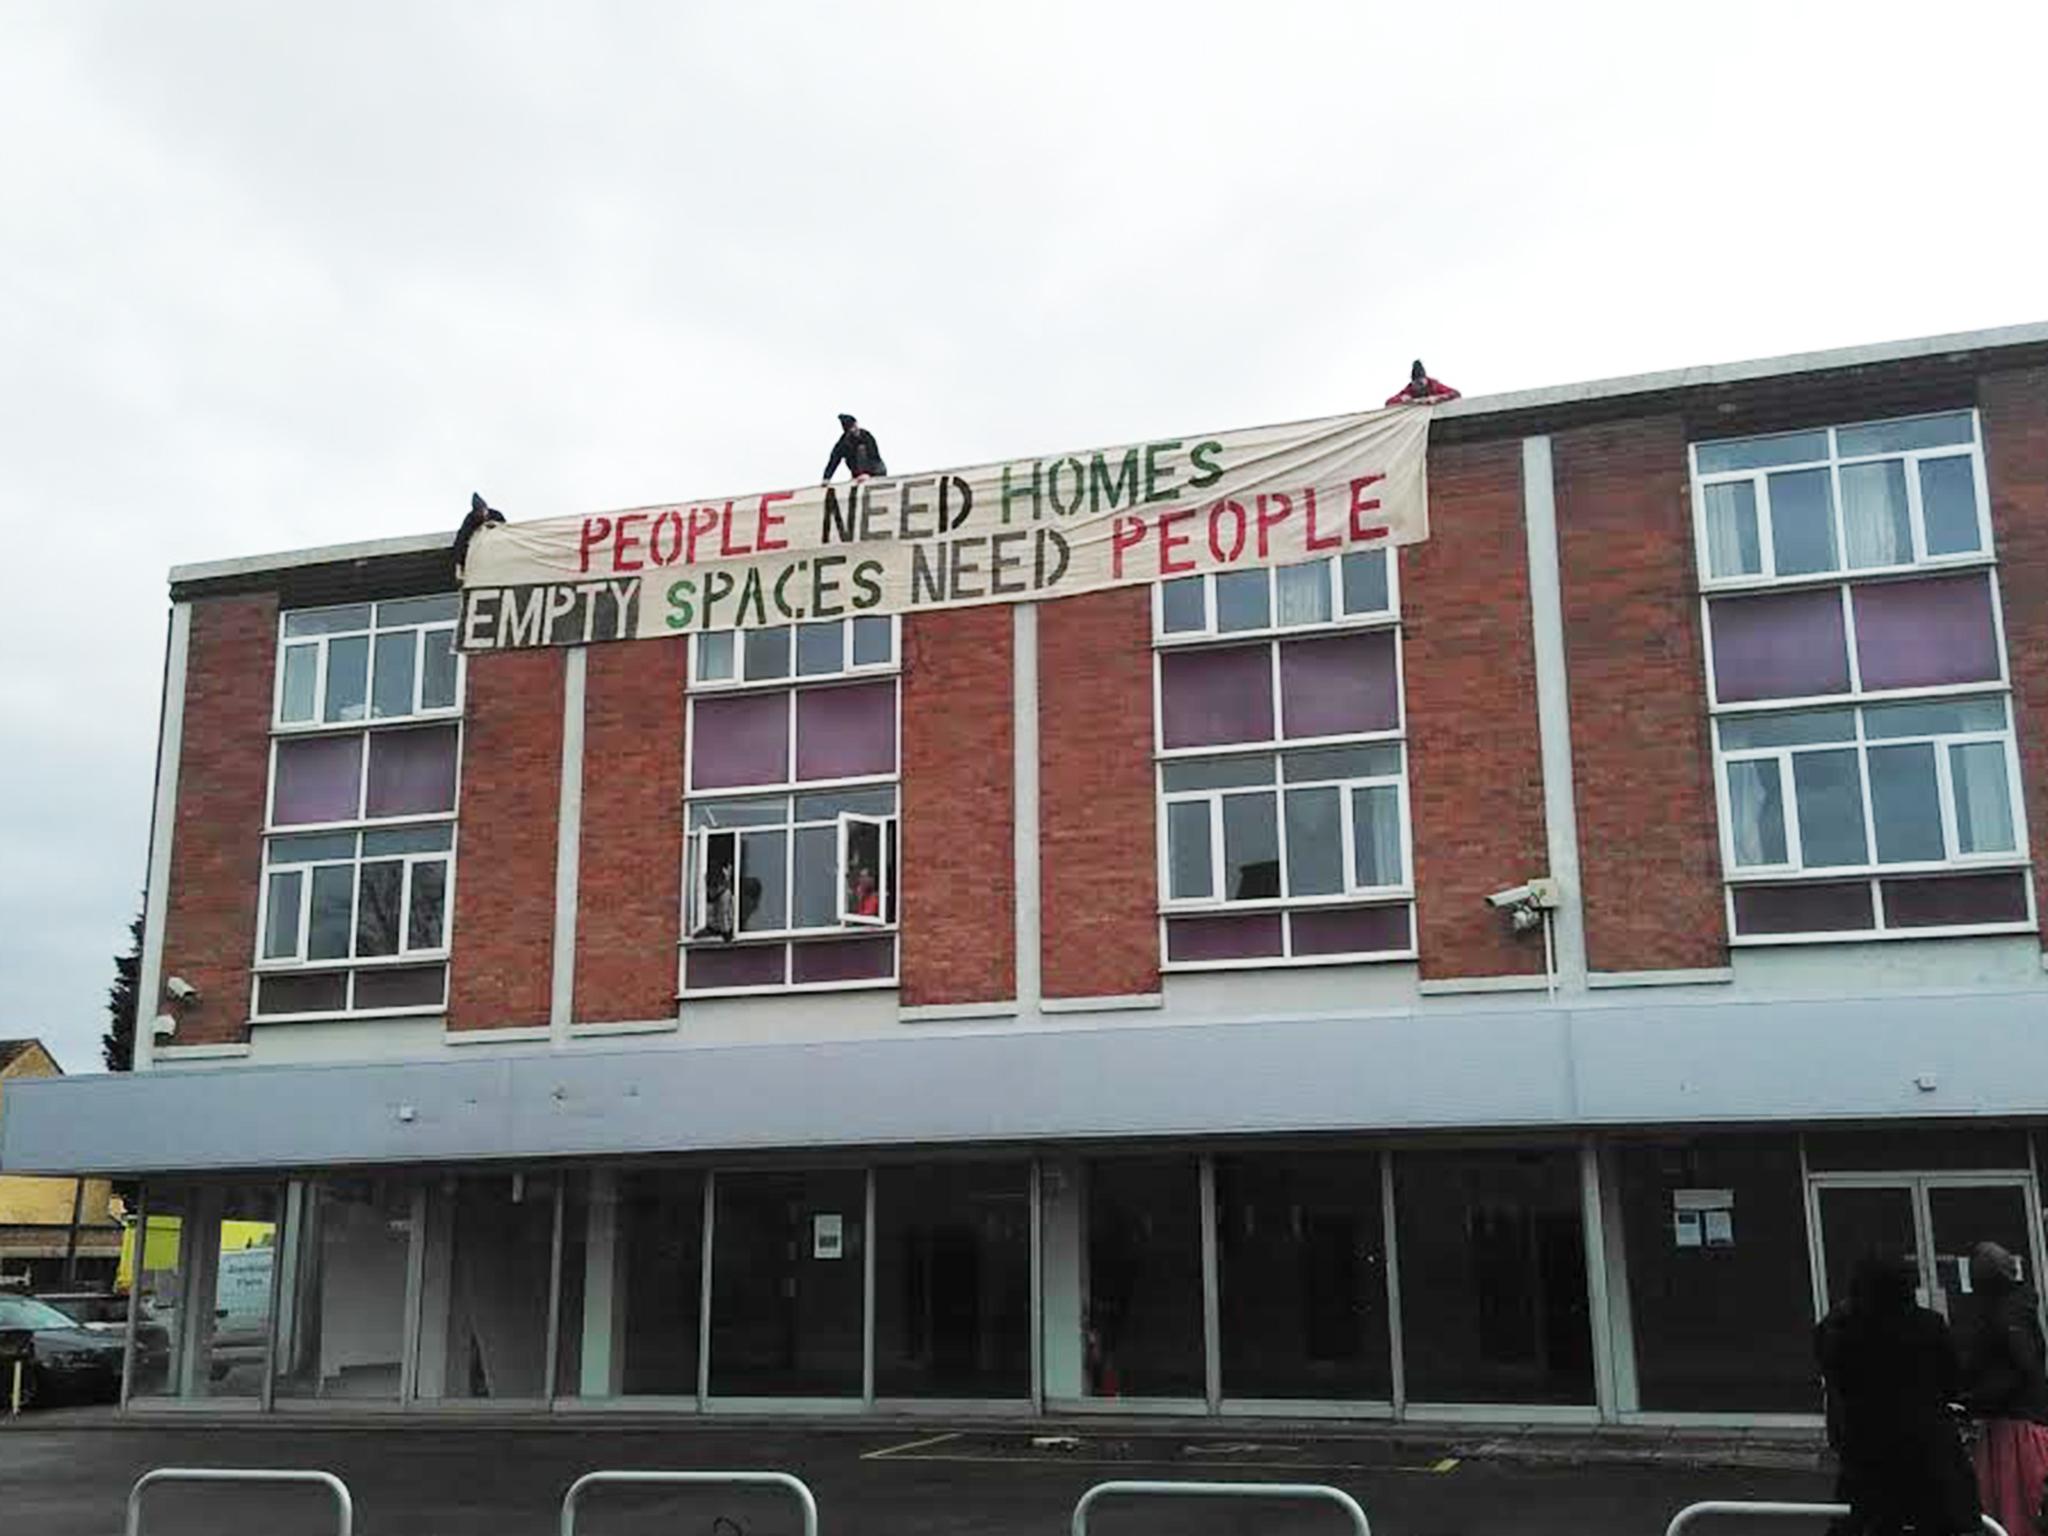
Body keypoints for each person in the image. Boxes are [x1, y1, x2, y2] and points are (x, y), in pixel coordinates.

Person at [1817, 1250, 1981, 1536]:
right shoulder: (1929, 1325)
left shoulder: (1850, 1332)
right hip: (1930, 1452)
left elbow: (1830, 1364)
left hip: (1870, 1452)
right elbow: (1952, 1381)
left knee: (1870, 1522)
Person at [1963, 1240, 2048, 1536]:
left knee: (2012, 1510)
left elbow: (2021, 1367)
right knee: (2014, 1511)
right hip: (2015, 1420)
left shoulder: (2005, 1314)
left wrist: (1973, 1399)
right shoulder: (2016, 1307)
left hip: (2014, 1425)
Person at [822, 413, 887, 481]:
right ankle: (859, 475)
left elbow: (873, 456)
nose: (854, 430)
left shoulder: (866, 436)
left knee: (861, 449)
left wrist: (867, 474)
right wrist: (826, 478)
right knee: (851, 454)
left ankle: (864, 474)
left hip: (876, 470)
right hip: (858, 473)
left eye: (855, 426)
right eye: (851, 428)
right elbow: (834, 460)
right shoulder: (843, 443)